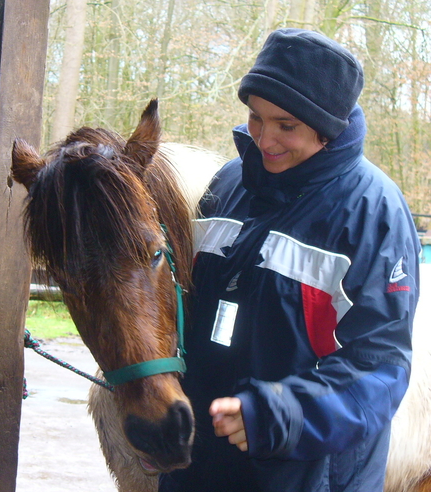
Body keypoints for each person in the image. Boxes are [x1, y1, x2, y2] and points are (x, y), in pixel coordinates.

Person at [159, 28, 421, 491]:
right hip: (202, 465)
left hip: (310, 472)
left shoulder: (372, 212)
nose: (264, 139)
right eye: (256, 118)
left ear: (327, 128)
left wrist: (278, 414)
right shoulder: (228, 184)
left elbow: (379, 369)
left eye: (286, 125)